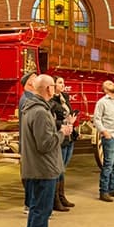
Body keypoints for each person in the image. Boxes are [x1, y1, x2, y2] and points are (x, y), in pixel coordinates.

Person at [21, 74, 72, 227]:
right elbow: (45, 144)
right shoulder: (41, 112)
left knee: (37, 210)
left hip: (38, 168)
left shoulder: (33, 108)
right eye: (52, 86)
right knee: (41, 211)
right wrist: (62, 132)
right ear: (48, 89)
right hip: (43, 169)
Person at [93, 80, 114, 201]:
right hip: (110, 136)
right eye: (109, 84)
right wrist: (104, 132)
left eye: (113, 83)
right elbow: (97, 119)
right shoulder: (102, 102)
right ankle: (103, 191)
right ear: (105, 89)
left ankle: (113, 188)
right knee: (108, 165)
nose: (113, 84)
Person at [49, 76, 76, 211]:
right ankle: (55, 200)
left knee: (63, 169)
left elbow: (68, 113)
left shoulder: (65, 97)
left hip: (69, 135)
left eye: (63, 82)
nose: (63, 84)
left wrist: (71, 119)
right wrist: (63, 124)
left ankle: (61, 196)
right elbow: (51, 121)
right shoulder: (51, 101)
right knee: (58, 169)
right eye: (60, 82)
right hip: (60, 136)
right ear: (53, 85)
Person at [19, 70, 37, 214]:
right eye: (34, 78)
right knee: (30, 175)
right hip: (29, 143)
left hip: (29, 142)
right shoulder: (27, 100)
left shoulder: (29, 98)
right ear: (29, 82)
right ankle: (29, 204)